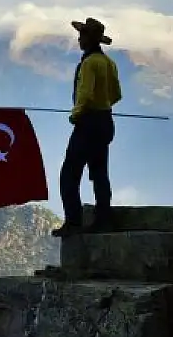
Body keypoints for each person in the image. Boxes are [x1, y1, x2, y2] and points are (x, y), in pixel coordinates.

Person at [52, 17, 122, 237]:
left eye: (81, 36)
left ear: (88, 39)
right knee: (100, 173)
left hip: (88, 124)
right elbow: (116, 94)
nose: (79, 39)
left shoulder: (90, 63)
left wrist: (76, 114)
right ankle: (103, 219)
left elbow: (85, 93)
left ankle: (73, 222)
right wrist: (103, 106)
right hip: (105, 122)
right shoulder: (109, 63)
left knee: (70, 173)